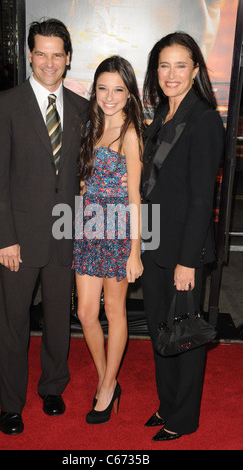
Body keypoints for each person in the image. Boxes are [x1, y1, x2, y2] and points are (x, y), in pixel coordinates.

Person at [0, 19, 89, 435]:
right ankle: (11, 403)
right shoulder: (5, 105)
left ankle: (52, 387)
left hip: (66, 234)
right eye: (40, 53)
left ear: (67, 58)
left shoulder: (82, 108)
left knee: (59, 320)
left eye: (57, 54)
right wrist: (4, 238)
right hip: (19, 239)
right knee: (12, 323)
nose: (49, 62)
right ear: (29, 55)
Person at [141, 32, 224, 441]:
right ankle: (167, 402)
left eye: (180, 65)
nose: (170, 74)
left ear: (195, 71)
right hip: (154, 244)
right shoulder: (161, 115)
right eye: (163, 65)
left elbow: (200, 198)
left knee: (185, 334)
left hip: (183, 251)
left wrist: (188, 261)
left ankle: (184, 418)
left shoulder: (205, 118)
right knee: (160, 328)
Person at [72, 55, 144, 424]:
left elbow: (135, 197)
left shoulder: (131, 132)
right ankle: (107, 378)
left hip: (117, 229)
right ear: (95, 90)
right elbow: (84, 184)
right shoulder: (91, 124)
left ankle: (106, 386)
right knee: (85, 312)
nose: (110, 96)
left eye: (118, 89)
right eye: (103, 88)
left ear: (130, 93)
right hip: (86, 227)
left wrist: (135, 250)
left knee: (114, 311)